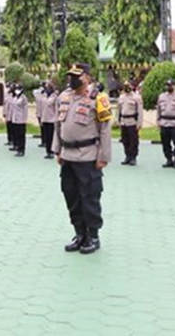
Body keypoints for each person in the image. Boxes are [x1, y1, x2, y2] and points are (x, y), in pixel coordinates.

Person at [53, 63, 112, 255]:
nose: (72, 79)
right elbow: (57, 125)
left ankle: (92, 236)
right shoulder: (64, 97)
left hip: (87, 156)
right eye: (71, 76)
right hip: (68, 156)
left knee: (89, 197)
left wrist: (103, 156)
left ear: (87, 77)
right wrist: (57, 150)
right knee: (71, 196)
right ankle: (79, 234)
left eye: (77, 76)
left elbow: (105, 130)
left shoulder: (98, 99)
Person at [157, 79, 175, 169]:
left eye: (171, 85)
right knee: (165, 142)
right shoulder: (161, 96)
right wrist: (158, 120)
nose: (169, 87)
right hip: (164, 123)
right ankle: (169, 159)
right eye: (167, 85)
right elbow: (158, 109)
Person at [117, 81, 143, 166]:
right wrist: (118, 121)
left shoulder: (137, 97)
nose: (127, 88)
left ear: (132, 87)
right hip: (124, 121)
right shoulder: (121, 97)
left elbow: (140, 111)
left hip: (132, 121)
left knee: (133, 140)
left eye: (128, 86)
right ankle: (127, 156)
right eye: (125, 86)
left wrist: (139, 123)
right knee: (125, 140)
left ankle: (133, 157)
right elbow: (119, 110)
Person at [40, 82, 59, 160]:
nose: (47, 89)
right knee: (46, 136)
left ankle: (51, 152)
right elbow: (42, 108)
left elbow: (57, 109)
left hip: (51, 120)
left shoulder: (55, 97)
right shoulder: (44, 96)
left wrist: (56, 119)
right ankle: (47, 151)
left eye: (49, 87)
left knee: (51, 136)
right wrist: (41, 118)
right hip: (45, 119)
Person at [10, 83, 29, 157]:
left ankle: (22, 149)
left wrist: (24, 119)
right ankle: (18, 148)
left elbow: (25, 110)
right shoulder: (15, 97)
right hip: (15, 119)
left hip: (21, 119)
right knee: (16, 134)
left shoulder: (24, 98)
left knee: (21, 135)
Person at [34, 83, 46, 147]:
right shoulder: (38, 94)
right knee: (42, 128)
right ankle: (43, 141)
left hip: (45, 114)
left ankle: (46, 142)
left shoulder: (47, 95)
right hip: (39, 114)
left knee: (46, 129)